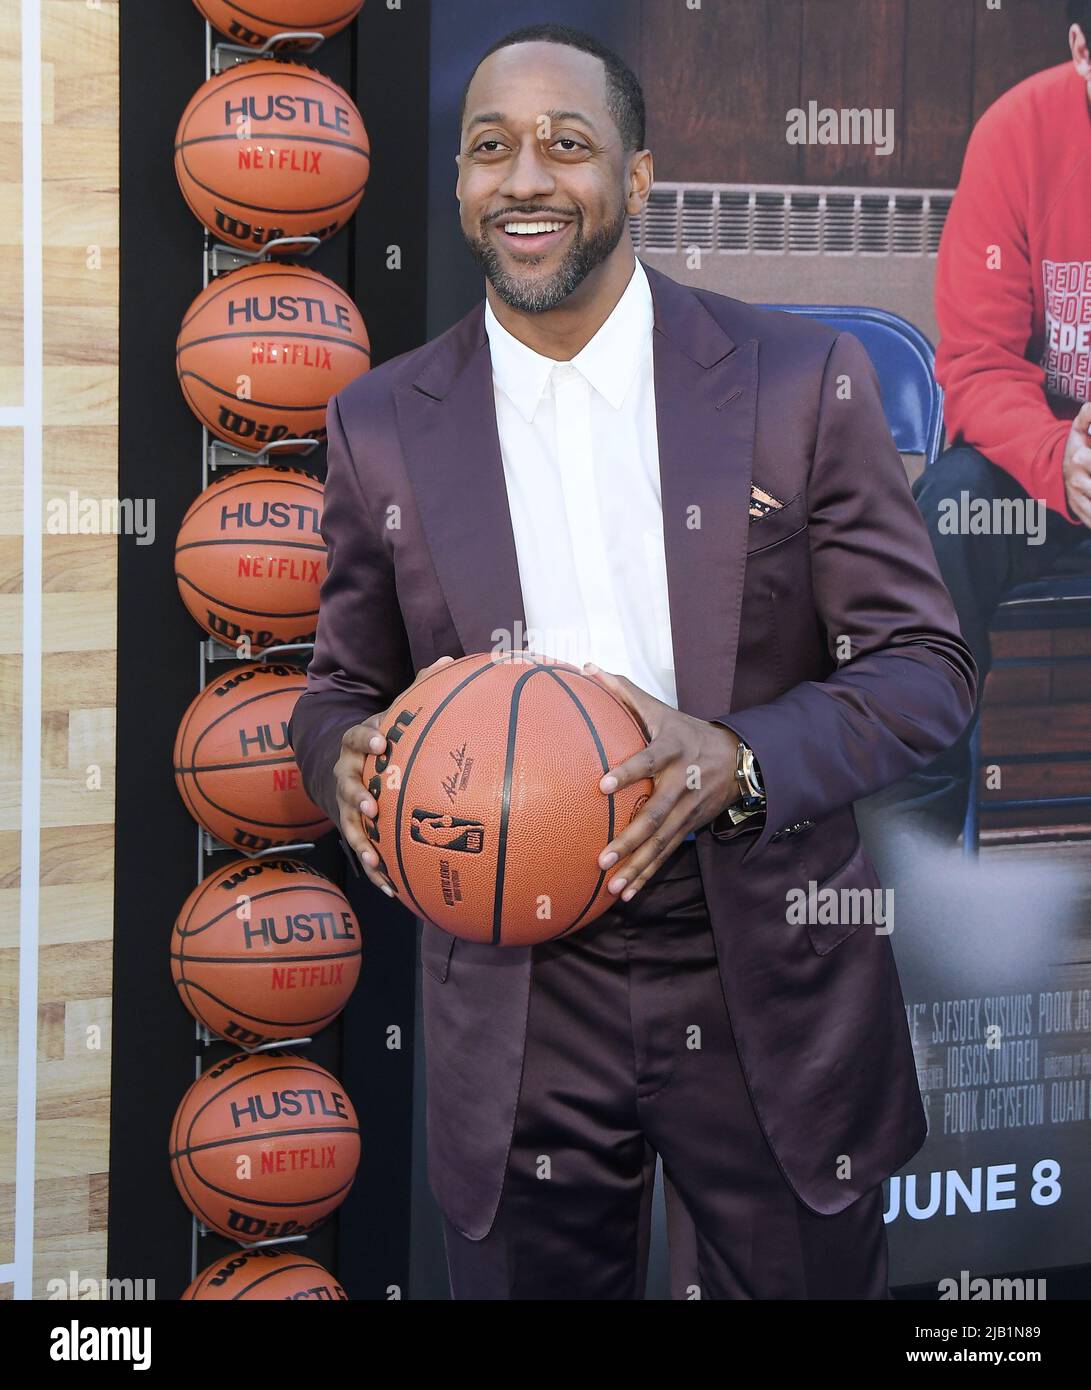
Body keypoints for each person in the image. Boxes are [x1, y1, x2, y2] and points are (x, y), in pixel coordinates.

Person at [288, 23, 976, 1300]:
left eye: (567, 145)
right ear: (456, 186)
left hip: (760, 955)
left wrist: (740, 756)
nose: (525, 178)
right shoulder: (380, 422)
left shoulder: (791, 378)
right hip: (511, 980)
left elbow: (923, 667)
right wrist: (345, 762)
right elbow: (336, 688)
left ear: (639, 179)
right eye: (489, 149)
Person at [860, 0, 1091, 849]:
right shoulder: (1018, 135)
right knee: (946, 512)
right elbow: (978, 362)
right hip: (1050, 470)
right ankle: (911, 862)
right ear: (1079, 52)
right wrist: (1054, 455)